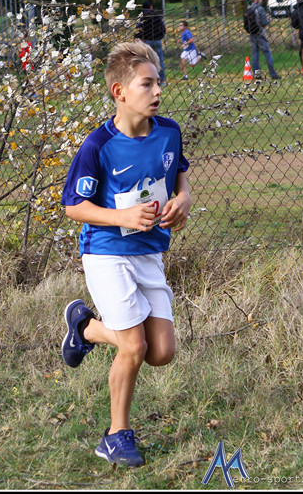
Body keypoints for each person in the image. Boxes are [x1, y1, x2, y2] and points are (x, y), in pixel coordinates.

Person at [60, 41, 191, 468]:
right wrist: (123, 216)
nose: (158, 91)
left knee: (161, 351)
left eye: (158, 82)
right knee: (134, 346)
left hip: (149, 253)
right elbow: (73, 207)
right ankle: (116, 436)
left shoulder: (169, 132)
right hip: (106, 252)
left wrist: (183, 201)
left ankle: (85, 327)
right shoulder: (98, 145)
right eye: (147, 84)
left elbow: (179, 176)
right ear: (119, 92)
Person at [246, 0, 280, 80]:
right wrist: (269, 20)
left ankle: (257, 74)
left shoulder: (249, 8)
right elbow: (264, 23)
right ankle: (273, 74)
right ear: (256, 0)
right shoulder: (260, 9)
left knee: (255, 55)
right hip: (260, 34)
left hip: (252, 34)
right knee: (267, 53)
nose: (261, 1)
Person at [135, 0, 167, 84]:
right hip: (157, 40)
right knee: (160, 59)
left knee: (146, 60)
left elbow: (138, 27)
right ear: (151, 6)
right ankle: (161, 80)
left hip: (147, 40)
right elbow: (163, 26)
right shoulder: (156, 15)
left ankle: (147, 79)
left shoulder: (142, 16)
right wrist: (161, 35)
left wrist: (138, 37)